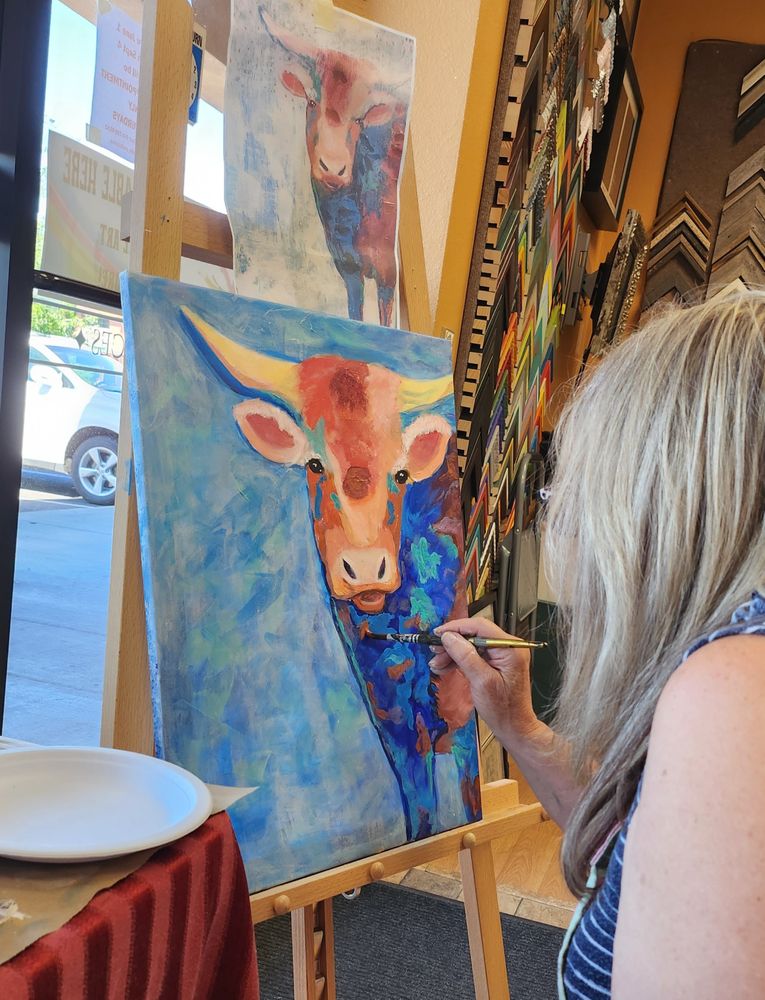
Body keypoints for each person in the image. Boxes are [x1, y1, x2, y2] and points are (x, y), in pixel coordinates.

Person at [430, 291, 765, 998]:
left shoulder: (736, 689)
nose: (565, 526)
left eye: (572, 491)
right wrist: (517, 725)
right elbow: (641, 850)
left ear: (651, 504)